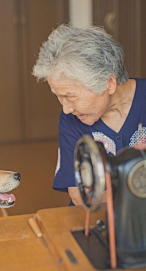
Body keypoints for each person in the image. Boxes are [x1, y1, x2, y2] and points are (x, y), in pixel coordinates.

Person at [32, 24, 146, 205]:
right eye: (59, 97)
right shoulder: (71, 120)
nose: (66, 109)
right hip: (94, 218)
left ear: (109, 83)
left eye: (70, 96)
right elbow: (79, 195)